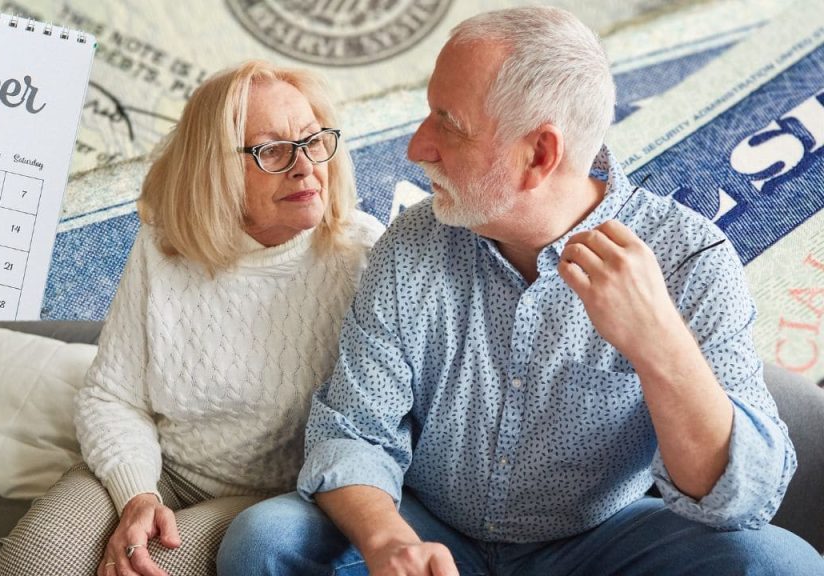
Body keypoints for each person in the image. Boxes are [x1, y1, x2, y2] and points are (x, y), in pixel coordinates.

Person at [217, 7, 824, 575]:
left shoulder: (690, 259)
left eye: (447, 125)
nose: (415, 148)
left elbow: (740, 502)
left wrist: (659, 345)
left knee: (781, 565)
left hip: (605, 539)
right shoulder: (412, 244)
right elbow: (352, 431)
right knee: (264, 542)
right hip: (433, 525)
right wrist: (388, 540)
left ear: (538, 154)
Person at [74, 59, 384, 576]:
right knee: (33, 560)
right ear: (213, 166)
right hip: (161, 467)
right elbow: (112, 396)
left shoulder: (366, 255)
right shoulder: (163, 246)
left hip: (274, 501)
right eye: (271, 151)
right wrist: (137, 495)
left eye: (312, 140)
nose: (304, 166)